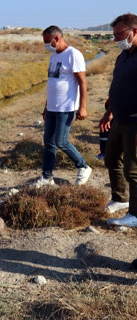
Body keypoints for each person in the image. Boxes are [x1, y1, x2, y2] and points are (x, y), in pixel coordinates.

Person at [32, 26, 91, 188]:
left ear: (56, 38)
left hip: (66, 107)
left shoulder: (73, 54)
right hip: (52, 107)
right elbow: (52, 84)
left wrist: (82, 107)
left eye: (47, 41)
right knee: (48, 142)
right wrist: (46, 106)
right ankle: (47, 177)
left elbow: (82, 82)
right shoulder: (53, 57)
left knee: (61, 141)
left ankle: (83, 167)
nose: (45, 45)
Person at [101, 13, 137, 227]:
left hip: (135, 123)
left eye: (120, 35)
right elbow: (119, 85)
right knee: (111, 159)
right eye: (114, 36)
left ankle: (135, 214)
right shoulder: (123, 56)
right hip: (119, 119)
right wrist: (109, 113)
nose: (116, 40)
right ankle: (120, 199)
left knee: (133, 169)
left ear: (134, 31)